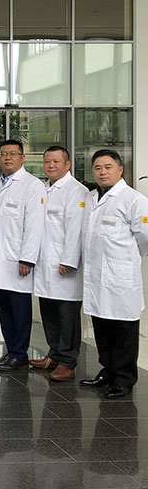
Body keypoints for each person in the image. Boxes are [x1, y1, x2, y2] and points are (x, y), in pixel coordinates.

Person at [80, 149, 148, 399]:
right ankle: (107, 371)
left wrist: (125, 259)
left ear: (120, 170)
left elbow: (145, 238)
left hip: (120, 276)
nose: (102, 172)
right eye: (97, 168)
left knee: (123, 330)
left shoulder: (134, 200)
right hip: (97, 275)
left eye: (108, 167)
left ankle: (124, 378)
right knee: (102, 326)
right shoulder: (90, 197)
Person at [0, 139, 46, 372]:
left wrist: (27, 258)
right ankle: (11, 350)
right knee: (4, 310)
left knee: (19, 310)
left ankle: (20, 354)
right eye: (3, 154)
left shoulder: (32, 185)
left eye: (12, 154)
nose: (7, 158)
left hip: (18, 260)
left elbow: (35, 225)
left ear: (22, 157)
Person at [30, 146, 88, 382]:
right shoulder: (42, 188)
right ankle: (54, 354)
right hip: (44, 264)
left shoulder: (77, 191)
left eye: (56, 161)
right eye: (47, 161)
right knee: (49, 312)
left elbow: (76, 230)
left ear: (67, 164)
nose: (51, 165)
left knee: (67, 315)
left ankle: (68, 360)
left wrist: (69, 260)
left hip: (64, 265)